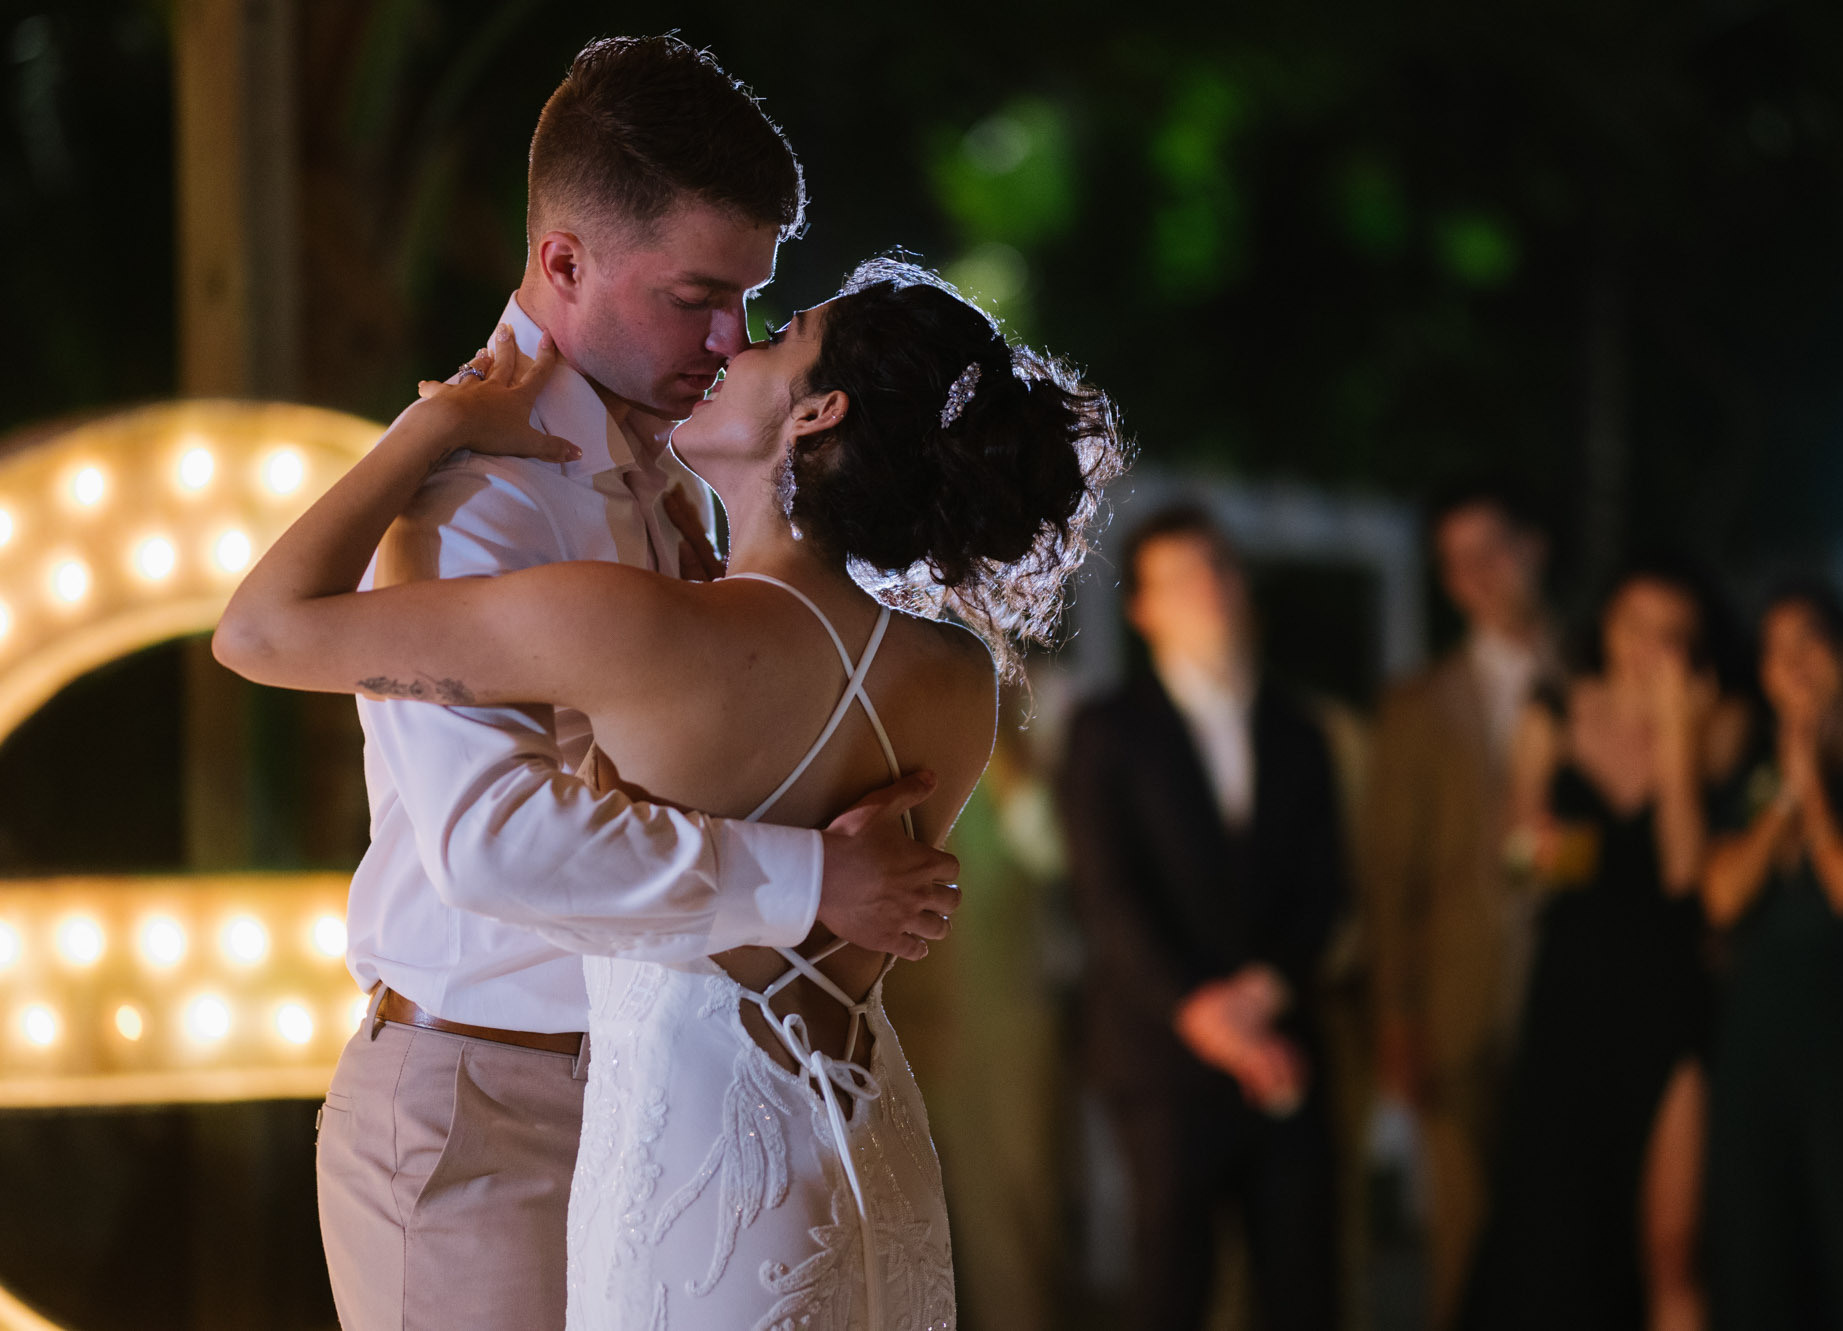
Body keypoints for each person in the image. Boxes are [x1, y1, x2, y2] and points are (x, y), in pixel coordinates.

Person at [217, 256, 1124, 1327]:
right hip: (871, 1167)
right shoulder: (957, 681)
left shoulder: (643, 632)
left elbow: (262, 629)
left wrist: (434, 435)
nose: (732, 345)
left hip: (698, 1196)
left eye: (776, 336)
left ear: (817, 412)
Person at [234, 38, 961, 1330]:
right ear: (563, 260)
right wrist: (814, 882)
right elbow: (491, 839)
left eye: (753, 297)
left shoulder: (697, 459)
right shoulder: (479, 494)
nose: (729, 337)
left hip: (675, 1089)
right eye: (697, 295)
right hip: (490, 1100)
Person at [1058, 505, 1346, 1330]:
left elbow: (1326, 889)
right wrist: (1204, 1012)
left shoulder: (1302, 731)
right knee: (1171, 1292)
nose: (1211, 590)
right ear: (1144, 609)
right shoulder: (1107, 729)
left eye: (1221, 567)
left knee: (1302, 1287)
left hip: (1284, 1039)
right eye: (1183, 578)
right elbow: (1107, 897)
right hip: (1161, 1059)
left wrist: (1263, 994)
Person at [1461, 555, 1747, 1331]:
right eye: (1634, 625)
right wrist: (1536, 848)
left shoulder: (1719, 718)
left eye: (1672, 631)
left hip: (1672, 987)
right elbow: (1513, 857)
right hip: (1574, 987)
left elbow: (1687, 870)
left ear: (1697, 640)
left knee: (1673, 1242)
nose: (1650, 644)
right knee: (1556, 1233)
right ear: (1606, 627)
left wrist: (1678, 742)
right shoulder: (1552, 708)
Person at [1359, 481, 1554, 1329]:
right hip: (1455, 1004)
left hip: (1575, 993)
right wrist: (1398, 1019)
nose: (1475, 576)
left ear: (1534, 548)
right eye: (1455, 563)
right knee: (1467, 1238)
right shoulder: (1418, 705)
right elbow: (1386, 878)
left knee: (1569, 1230)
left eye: (1491, 551)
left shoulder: (1597, 679)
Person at [1702, 583, 1843, 1331]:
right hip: (1759, 1040)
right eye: (1773, 650)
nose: (1789, 665)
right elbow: (1722, 895)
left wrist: (1816, 788)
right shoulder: (1757, 774)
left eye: (1808, 644)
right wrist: (1786, 795)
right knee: (1758, 1248)